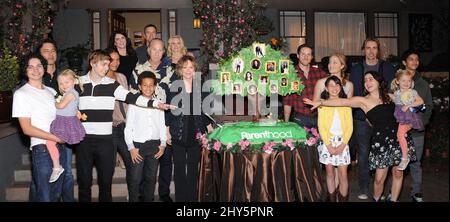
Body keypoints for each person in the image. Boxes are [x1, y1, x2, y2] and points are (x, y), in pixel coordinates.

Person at [304, 70, 416, 202]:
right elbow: (341, 102)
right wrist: (321, 103)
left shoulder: (391, 97)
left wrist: (411, 121)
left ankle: (394, 200)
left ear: (379, 82)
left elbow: (411, 107)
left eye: (371, 79)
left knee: (398, 173)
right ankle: (376, 199)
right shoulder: (362, 100)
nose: (367, 82)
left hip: (399, 138)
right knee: (379, 179)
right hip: (381, 141)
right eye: (365, 80)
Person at [75, 49, 171, 202]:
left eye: (108, 64)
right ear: (93, 63)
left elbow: (132, 98)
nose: (108, 67)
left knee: (105, 183)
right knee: (84, 182)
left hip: (106, 139)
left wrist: (156, 104)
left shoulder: (112, 85)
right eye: (104, 64)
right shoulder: (78, 83)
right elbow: (66, 101)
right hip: (83, 140)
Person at [12, 54, 66, 201]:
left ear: (44, 68)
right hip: (41, 149)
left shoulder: (52, 92)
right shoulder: (21, 94)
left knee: (56, 194)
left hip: (60, 147)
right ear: (25, 70)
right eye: (30, 66)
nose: (35, 70)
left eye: (39, 66)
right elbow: (27, 129)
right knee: (45, 195)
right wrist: (54, 137)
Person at [349, 38, 395, 200]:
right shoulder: (356, 69)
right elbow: (354, 94)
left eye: (374, 48)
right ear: (364, 50)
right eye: (368, 48)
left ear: (378, 50)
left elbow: (391, 91)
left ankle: (382, 188)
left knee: (385, 153)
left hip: (382, 119)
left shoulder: (387, 67)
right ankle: (363, 187)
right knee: (363, 153)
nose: (371, 51)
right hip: (362, 118)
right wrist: (366, 114)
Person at [166, 55, 214, 202]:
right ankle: (181, 200)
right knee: (179, 169)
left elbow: (205, 110)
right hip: (178, 133)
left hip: (196, 133)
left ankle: (192, 198)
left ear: (195, 69)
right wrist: (167, 131)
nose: (188, 70)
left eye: (191, 67)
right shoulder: (174, 85)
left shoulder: (201, 86)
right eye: (184, 67)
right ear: (180, 69)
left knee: (194, 168)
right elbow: (168, 110)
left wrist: (209, 127)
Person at [36, 39, 75, 202]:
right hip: (43, 131)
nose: (50, 54)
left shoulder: (63, 74)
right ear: (39, 54)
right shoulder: (36, 77)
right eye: (46, 51)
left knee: (67, 173)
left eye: (53, 50)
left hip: (64, 129)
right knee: (42, 176)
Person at [125, 71, 166, 202]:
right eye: (145, 85)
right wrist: (131, 147)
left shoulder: (158, 104)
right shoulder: (134, 104)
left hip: (154, 146)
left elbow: (162, 126)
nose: (148, 88)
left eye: (151, 85)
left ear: (155, 87)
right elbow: (128, 127)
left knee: (151, 178)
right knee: (135, 178)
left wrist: (163, 145)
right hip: (138, 147)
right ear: (140, 87)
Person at [400, 50, 432, 202]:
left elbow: (427, 107)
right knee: (397, 161)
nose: (414, 61)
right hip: (399, 129)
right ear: (404, 63)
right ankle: (394, 192)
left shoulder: (423, 84)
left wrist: (419, 122)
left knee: (415, 162)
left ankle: (416, 191)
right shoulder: (396, 82)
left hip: (417, 130)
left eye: (416, 59)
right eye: (411, 59)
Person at [316, 76, 352, 202]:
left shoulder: (346, 103)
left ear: (340, 87)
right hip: (328, 142)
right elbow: (321, 126)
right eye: (331, 85)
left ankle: (343, 199)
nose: (334, 88)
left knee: (343, 174)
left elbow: (350, 127)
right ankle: (331, 199)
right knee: (329, 173)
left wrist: (343, 144)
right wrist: (329, 145)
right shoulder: (322, 104)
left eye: (337, 85)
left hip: (343, 142)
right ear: (326, 88)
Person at [47, 70, 86, 183]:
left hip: (64, 122)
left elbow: (61, 106)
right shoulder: (70, 93)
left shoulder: (70, 94)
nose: (64, 85)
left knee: (50, 143)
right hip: (64, 121)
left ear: (74, 81)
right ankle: (57, 166)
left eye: (66, 82)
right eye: (61, 83)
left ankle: (57, 167)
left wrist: (53, 102)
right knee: (52, 143)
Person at [104, 48, 133, 194]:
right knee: (107, 168)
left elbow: (127, 100)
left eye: (117, 60)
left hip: (123, 125)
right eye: (111, 59)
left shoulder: (121, 76)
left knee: (131, 162)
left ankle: (132, 195)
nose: (115, 63)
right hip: (109, 127)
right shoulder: (100, 79)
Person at [283, 44, 327, 128]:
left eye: (308, 54)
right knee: (301, 141)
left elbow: (332, 88)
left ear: (312, 57)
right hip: (300, 118)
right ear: (298, 56)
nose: (306, 57)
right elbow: (287, 101)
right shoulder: (291, 74)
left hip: (319, 117)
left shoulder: (319, 73)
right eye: (303, 54)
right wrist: (286, 123)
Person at [389, 69, 424, 171]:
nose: (406, 83)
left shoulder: (412, 92)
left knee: (399, 134)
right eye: (403, 80)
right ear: (397, 81)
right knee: (400, 135)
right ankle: (404, 142)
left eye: (409, 81)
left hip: (408, 116)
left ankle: (405, 158)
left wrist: (408, 105)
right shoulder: (396, 93)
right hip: (400, 117)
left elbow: (420, 101)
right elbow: (393, 99)